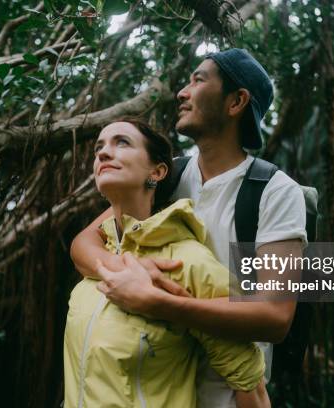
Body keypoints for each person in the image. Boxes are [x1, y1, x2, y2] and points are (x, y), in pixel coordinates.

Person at [70, 49, 307, 407]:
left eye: (198, 80)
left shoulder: (275, 192)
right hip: (155, 391)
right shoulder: (170, 176)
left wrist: (157, 302)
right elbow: (84, 244)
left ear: (236, 101)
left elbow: (274, 316)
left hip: (230, 397)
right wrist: (133, 272)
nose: (182, 92)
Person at [63, 118, 270, 407]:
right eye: (99, 147)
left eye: (121, 142)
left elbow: (251, 386)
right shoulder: (96, 261)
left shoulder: (187, 262)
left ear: (157, 172)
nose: (103, 153)